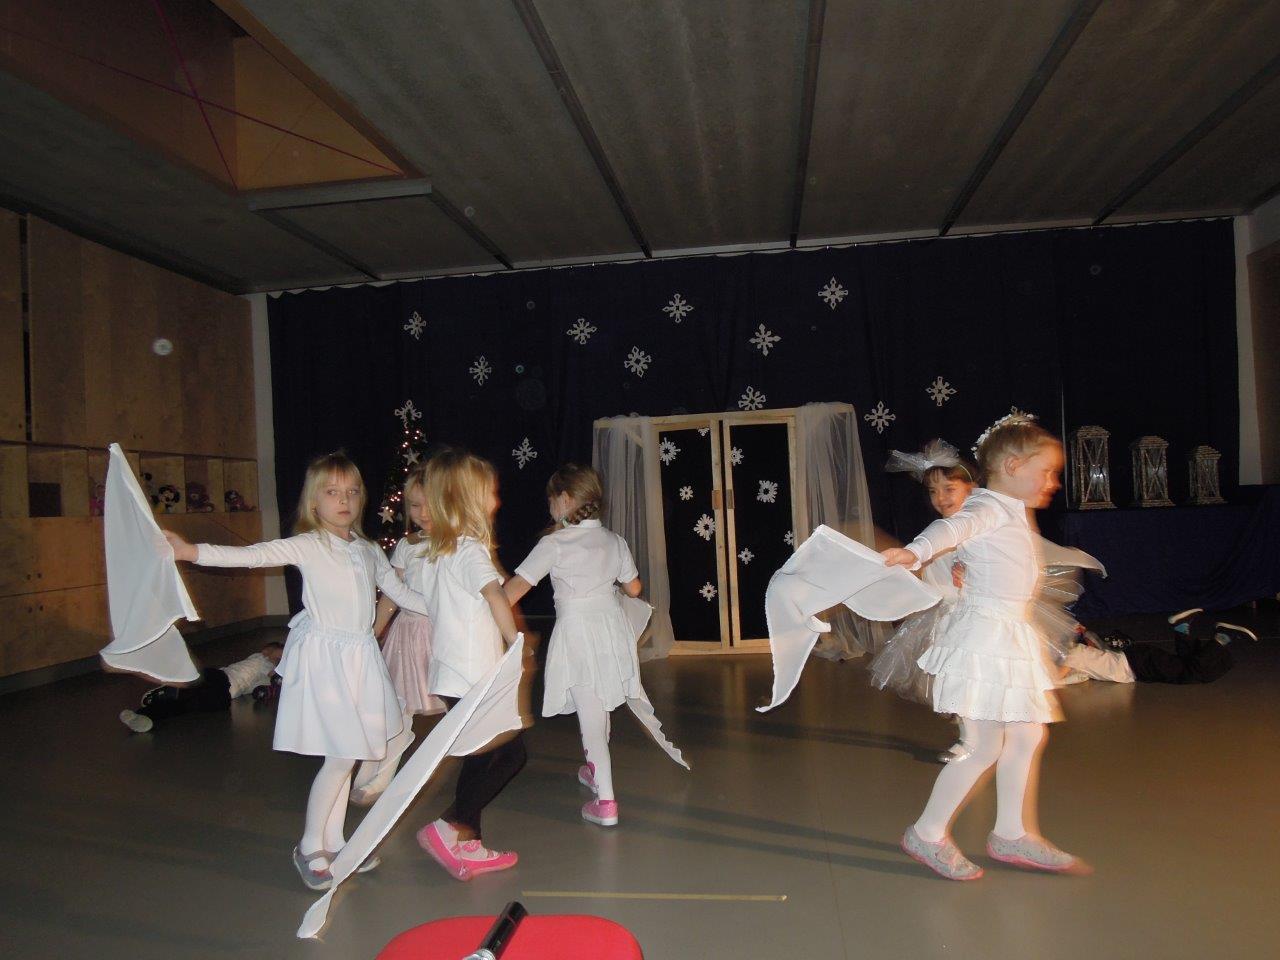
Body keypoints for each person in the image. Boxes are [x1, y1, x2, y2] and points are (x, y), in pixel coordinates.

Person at [164, 452, 430, 891]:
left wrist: (452, 610)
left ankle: (335, 842)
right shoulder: (309, 544)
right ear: (314, 501)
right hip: (326, 660)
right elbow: (252, 556)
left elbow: (399, 592)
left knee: (349, 753)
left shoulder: (367, 550)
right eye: (332, 492)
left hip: (361, 659)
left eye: (352, 492)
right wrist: (191, 551)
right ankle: (309, 846)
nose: (344, 500)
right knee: (343, 755)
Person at [883, 411, 1089, 880]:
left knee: (1028, 734)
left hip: (1008, 634)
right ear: (1013, 466)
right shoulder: (988, 507)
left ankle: (1012, 833)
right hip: (983, 639)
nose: (1053, 482)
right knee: (981, 746)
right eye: (1046, 471)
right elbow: (951, 529)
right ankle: (927, 833)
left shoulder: (1011, 510)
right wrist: (916, 552)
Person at [504, 463, 688, 828]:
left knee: (591, 713)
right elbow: (634, 588)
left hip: (578, 634)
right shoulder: (614, 540)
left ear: (565, 499)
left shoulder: (554, 544)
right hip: (611, 631)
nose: (549, 506)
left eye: (551, 499)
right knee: (600, 704)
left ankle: (606, 802)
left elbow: (512, 591)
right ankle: (594, 770)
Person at [411, 450, 527, 881]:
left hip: (451, 673)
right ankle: (450, 826)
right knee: (507, 754)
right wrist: (516, 641)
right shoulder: (470, 550)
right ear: (467, 500)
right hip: (473, 675)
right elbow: (495, 597)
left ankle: (469, 841)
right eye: (490, 494)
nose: (496, 501)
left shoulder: (437, 551)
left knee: (485, 756)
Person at [870, 440, 978, 762]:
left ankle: (973, 740)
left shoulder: (978, 525)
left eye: (949, 488)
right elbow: (925, 564)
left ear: (972, 488)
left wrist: (972, 574)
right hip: (944, 615)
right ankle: (970, 736)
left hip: (974, 615)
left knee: (969, 678)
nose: (940, 498)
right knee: (953, 678)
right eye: (933, 491)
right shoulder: (938, 529)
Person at [349, 465, 445, 806]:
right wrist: (374, 632)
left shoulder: (458, 544)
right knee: (396, 709)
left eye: (430, 503)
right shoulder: (406, 545)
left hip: (443, 638)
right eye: (415, 505)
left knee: (457, 707)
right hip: (407, 639)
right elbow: (392, 593)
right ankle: (378, 776)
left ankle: (477, 763)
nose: (422, 513)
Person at [118, 642, 283, 733]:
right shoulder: (262, 659)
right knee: (200, 695)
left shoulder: (267, 674)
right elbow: (274, 674)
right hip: (218, 679)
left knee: (187, 706)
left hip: (223, 694)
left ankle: (143, 715)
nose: (282, 658)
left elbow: (261, 690)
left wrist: (269, 689)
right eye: (280, 653)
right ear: (268, 650)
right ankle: (171, 690)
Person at [1062, 608, 1252, 684]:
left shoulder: (1073, 655)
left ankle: (1222, 638)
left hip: (1137, 665)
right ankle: (1182, 628)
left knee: (1190, 673)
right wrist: (1083, 633)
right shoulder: (1080, 652)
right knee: (1186, 663)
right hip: (1137, 660)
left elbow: (1056, 676)